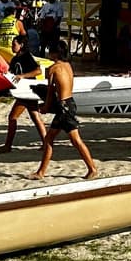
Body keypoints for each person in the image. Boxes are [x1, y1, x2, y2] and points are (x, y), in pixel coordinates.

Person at [32, 37, 98, 179]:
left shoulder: (53, 68)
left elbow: (50, 92)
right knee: (54, 138)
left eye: (50, 51)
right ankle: (40, 172)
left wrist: (45, 107)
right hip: (70, 103)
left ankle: (92, 168)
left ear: (55, 53)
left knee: (68, 140)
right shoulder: (68, 65)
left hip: (63, 108)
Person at [1, 33, 47, 149]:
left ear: (21, 45)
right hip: (22, 91)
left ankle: (8, 146)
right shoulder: (15, 59)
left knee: (13, 117)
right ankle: (46, 143)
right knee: (35, 117)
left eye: (14, 44)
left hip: (27, 91)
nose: (12, 46)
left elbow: (38, 71)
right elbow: (12, 73)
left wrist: (23, 76)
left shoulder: (26, 56)